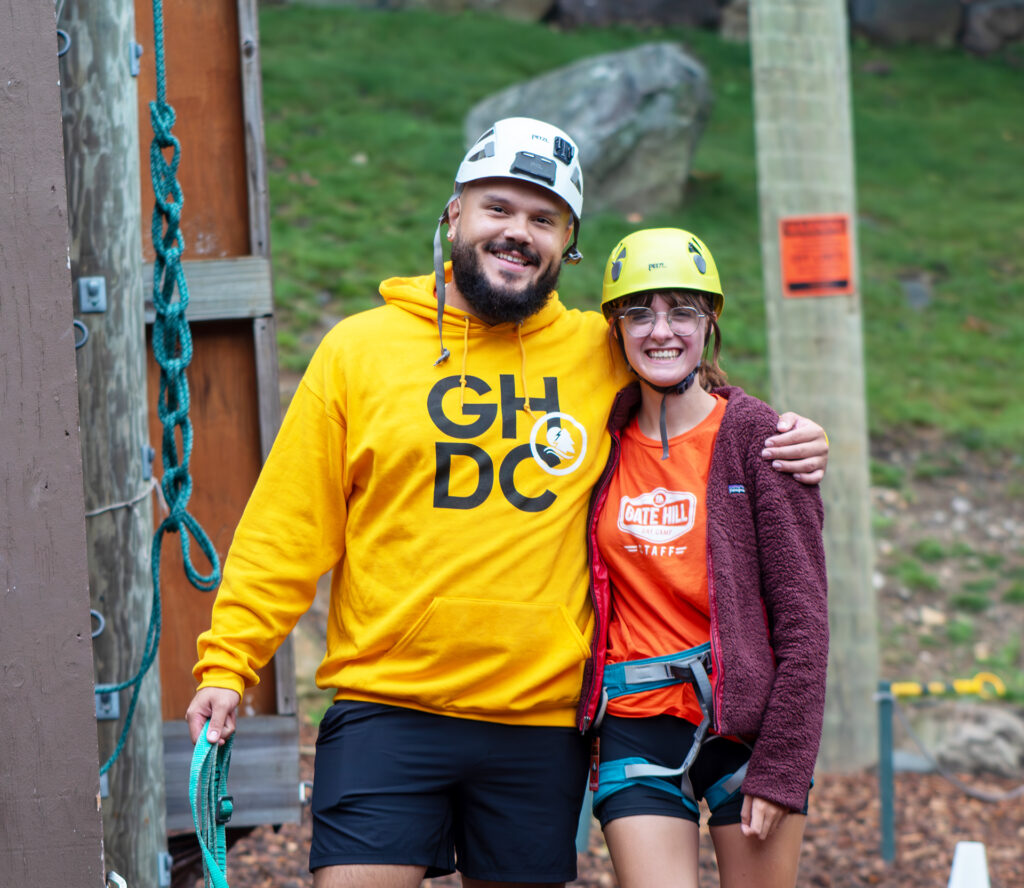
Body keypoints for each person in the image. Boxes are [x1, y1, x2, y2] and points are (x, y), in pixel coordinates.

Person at [185, 119, 829, 888]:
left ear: (568, 245)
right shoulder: (357, 352)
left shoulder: (602, 349)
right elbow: (288, 527)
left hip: (539, 724)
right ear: (455, 215)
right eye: (498, 208)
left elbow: (689, 388)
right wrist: (230, 663)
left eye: (543, 219)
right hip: (387, 705)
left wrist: (793, 435)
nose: (517, 232)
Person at [580, 227, 828, 888]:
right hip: (636, 725)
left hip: (747, 731)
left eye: (681, 311)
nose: (661, 331)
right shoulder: (597, 442)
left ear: (708, 322)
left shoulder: (759, 440)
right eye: (640, 312)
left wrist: (782, 763)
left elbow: (805, 625)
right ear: (616, 328)